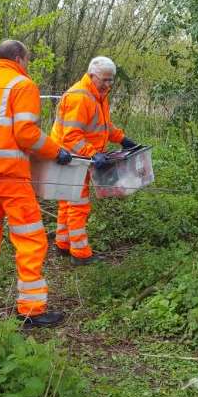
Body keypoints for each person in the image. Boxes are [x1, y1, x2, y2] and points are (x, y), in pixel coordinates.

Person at [0, 39, 72, 328]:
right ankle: (31, 309)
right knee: (31, 238)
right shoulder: (22, 85)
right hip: (8, 174)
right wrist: (56, 151)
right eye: (28, 59)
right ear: (20, 58)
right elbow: (27, 134)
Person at [50, 56, 138, 265]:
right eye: (104, 80)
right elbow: (71, 136)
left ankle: (63, 244)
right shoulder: (80, 97)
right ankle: (80, 254)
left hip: (79, 156)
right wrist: (92, 153)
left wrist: (122, 139)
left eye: (111, 80)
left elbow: (103, 126)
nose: (108, 84)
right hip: (70, 156)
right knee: (78, 204)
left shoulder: (98, 94)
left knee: (67, 200)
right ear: (92, 76)